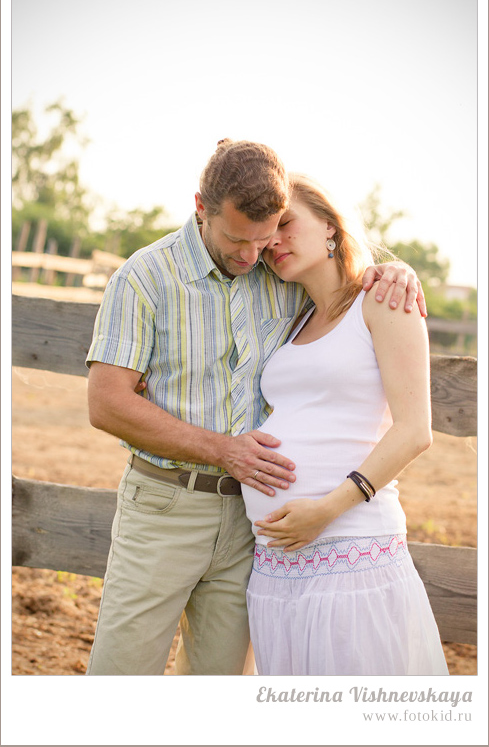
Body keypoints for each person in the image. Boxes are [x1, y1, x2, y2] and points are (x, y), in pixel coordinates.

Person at [85, 139, 426, 675]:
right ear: (201, 207)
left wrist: (397, 270)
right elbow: (105, 404)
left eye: (267, 237)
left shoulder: (282, 276)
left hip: (255, 535)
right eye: (238, 239)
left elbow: (346, 289)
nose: (252, 255)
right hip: (167, 506)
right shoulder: (145, 277)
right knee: (122, 676)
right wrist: (225, 451)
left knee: (220, 690)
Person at [242, 173, 448, 676]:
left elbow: (414, 430)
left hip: (349, 548)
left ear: (331, 226)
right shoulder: (293, 318)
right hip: (277, 565)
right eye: (267, 234)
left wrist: (326, 510)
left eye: (286, 224)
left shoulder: (381, 300)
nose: (273, 241)